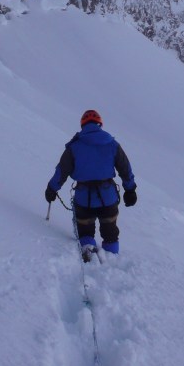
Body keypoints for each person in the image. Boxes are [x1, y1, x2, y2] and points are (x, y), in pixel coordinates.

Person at [45, 109, 137, 260]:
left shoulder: (74, 146)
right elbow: (125, 168)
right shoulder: (112, 144)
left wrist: (52, 189)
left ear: (83, 125)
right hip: (108, 197)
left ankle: (88, 255)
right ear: (99, 124)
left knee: (86, 232)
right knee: (110, 234)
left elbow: (61, 171)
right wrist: (130, 189)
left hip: (84, 199)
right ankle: (111, 261)